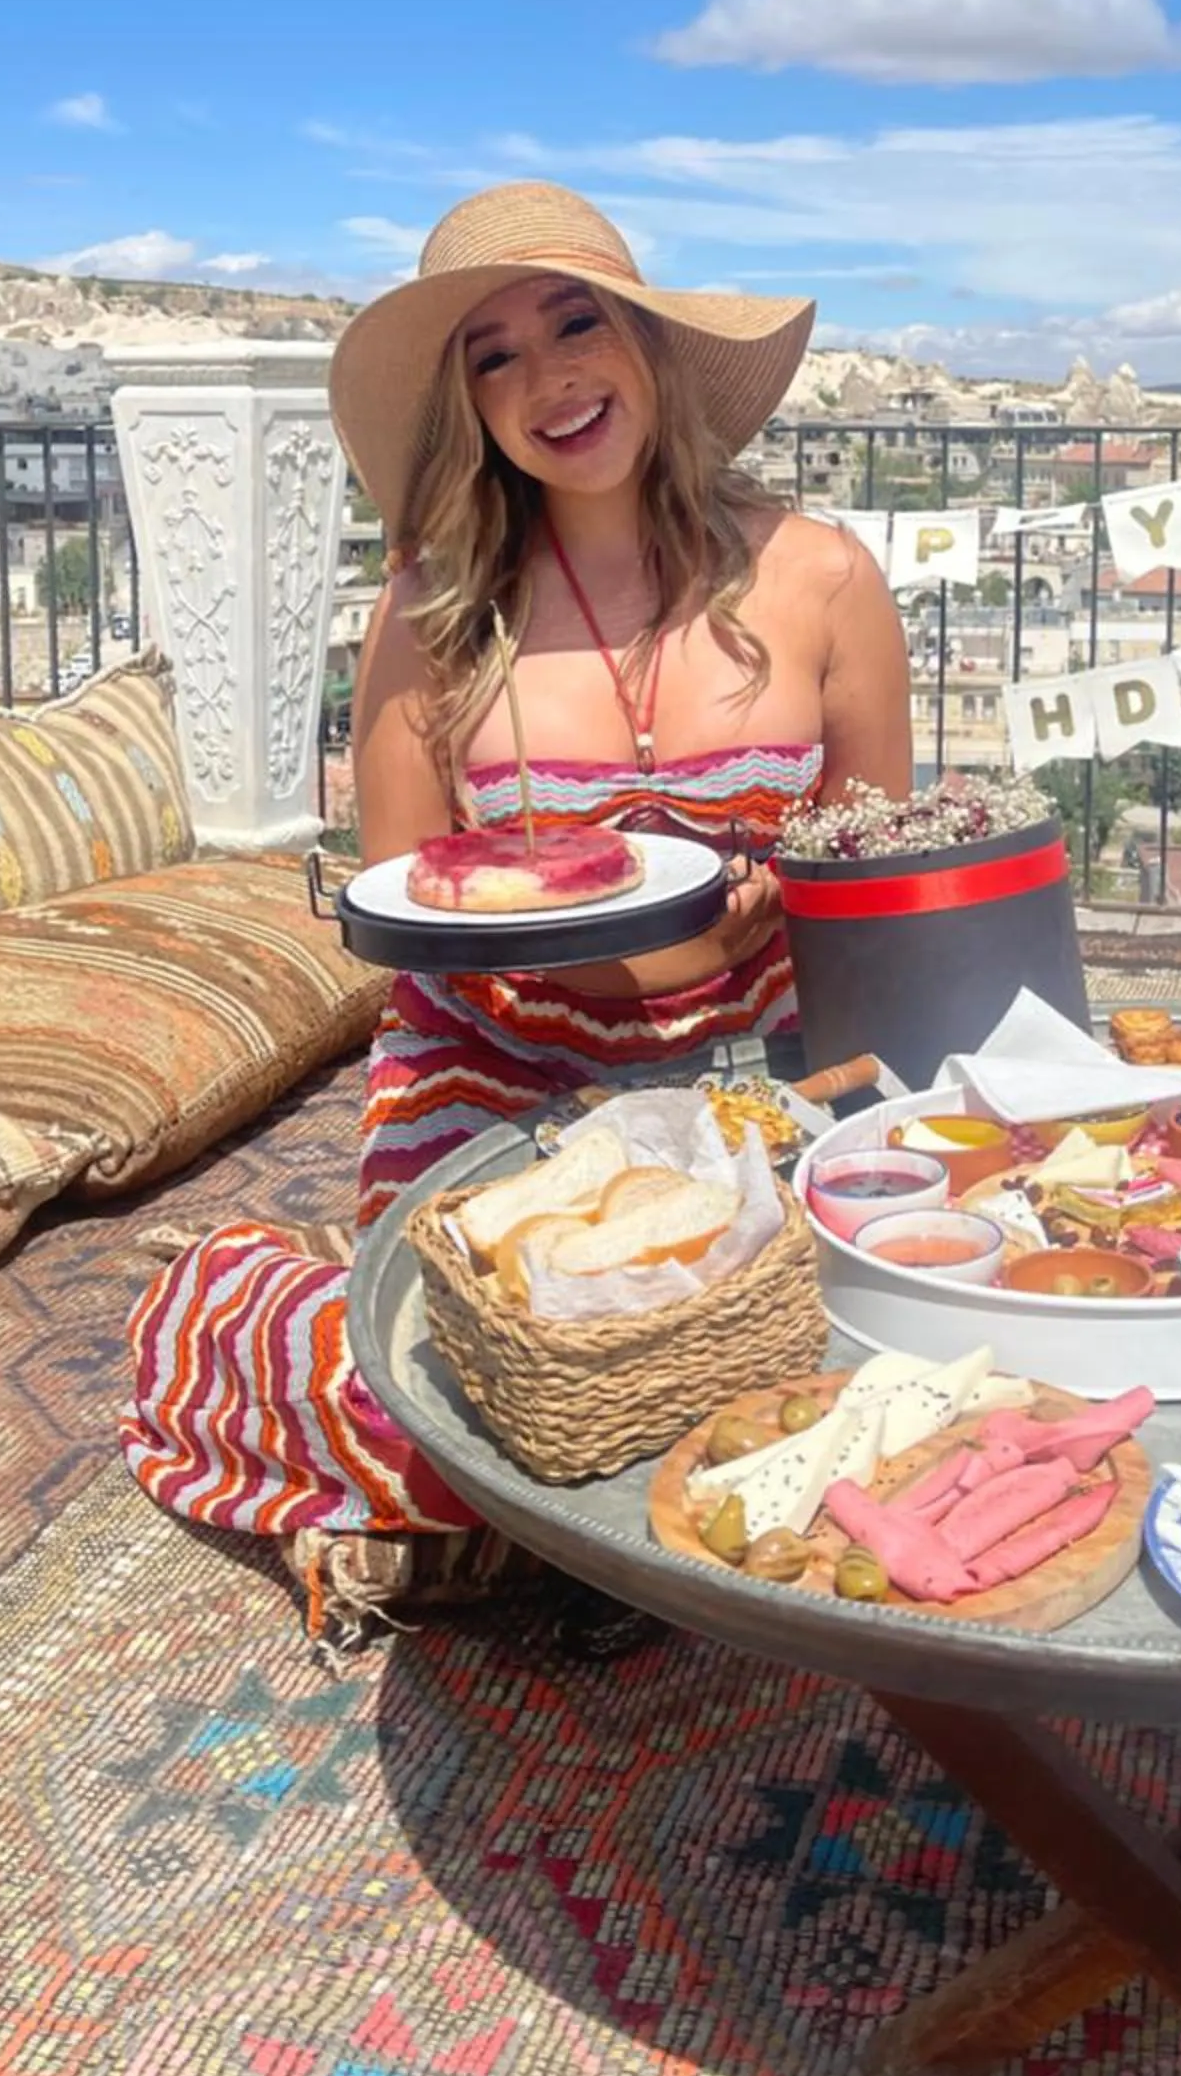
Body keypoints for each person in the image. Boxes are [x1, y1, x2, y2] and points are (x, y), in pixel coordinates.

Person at [122, 182, 912, 1645]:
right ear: (469, 406)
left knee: (873, 1357)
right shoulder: (432, 603)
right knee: (465, 1397)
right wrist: (583, 949)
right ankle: (232, 1308)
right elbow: (407, 897)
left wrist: (766, 937)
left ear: (649, 347)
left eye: (572, 322)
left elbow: (874, 871)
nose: (544, 376)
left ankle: (521, 1529)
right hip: (502, 1062)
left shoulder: (821, 575)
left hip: (756, 1055)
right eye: (491, 355)